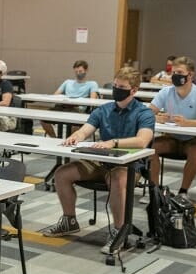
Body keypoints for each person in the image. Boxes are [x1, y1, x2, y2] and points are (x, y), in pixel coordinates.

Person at [41, 67, 155, 254]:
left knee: (117, 180)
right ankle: (69, 221)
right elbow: (86, 130)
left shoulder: (144, 113)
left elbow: (143, 141)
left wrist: (113, 142)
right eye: (115, 85)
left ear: (134, 90)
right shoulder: (104, 109)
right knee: (62, 174)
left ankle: (119, 231)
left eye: (122, 87)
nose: (116, 89)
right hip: (100, 161)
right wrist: (76, 136)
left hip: (128, 165)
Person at [149, 56, 196, 199]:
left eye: (180, 73)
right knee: (150, 148)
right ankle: (155, 191)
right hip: (172, 138)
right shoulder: (166, 92)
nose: (176, 76)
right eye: (174, 73)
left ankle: (183, 191)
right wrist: (156, 117)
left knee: (195, 151)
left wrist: (189, 123)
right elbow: (146, 113)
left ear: (191, 75)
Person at [40, 60, 100, 137]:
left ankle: (71, 140)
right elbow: (55, 95)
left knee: (75, 123)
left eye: (80, 71)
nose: (78, 73)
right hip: (63, 107)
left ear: (86, 70)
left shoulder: (92, 84)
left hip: (78, 109)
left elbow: (92, 100)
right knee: (43, 118)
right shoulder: (67, 82)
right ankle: (54, 138)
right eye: (76, 71)